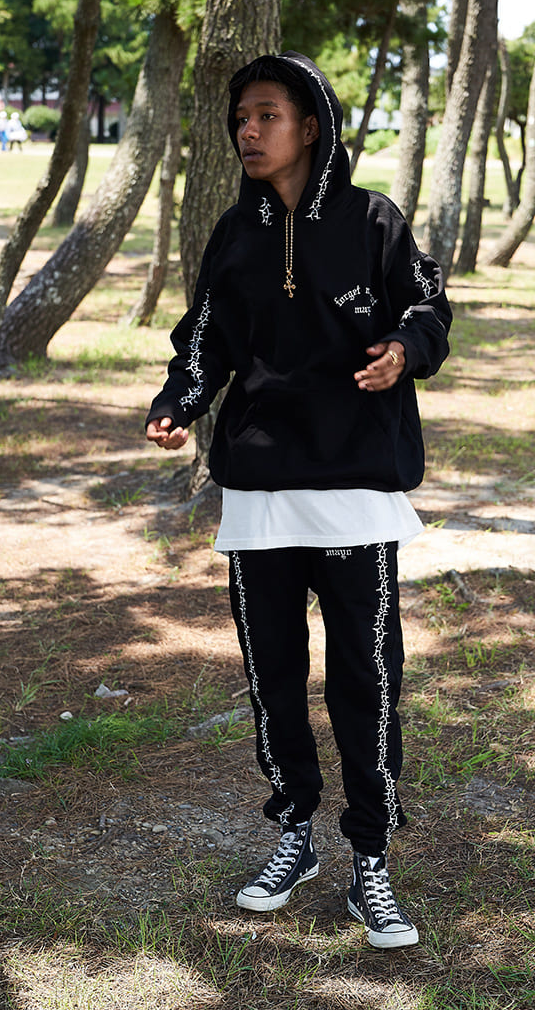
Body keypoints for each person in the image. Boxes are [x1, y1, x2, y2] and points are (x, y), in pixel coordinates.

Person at [146, 52, 451, 949]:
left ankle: (370, 859)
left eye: (266, 115)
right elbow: (205, 340)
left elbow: (429, 306)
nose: (247, 131)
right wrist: (178, 403)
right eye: (241, 117)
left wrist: (403, 351)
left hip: (355, 487)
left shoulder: (372, 220)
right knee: (273, 677)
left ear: (310, 127)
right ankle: (294, 833)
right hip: (260, 492)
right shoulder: (234, 234)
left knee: (367, 678)